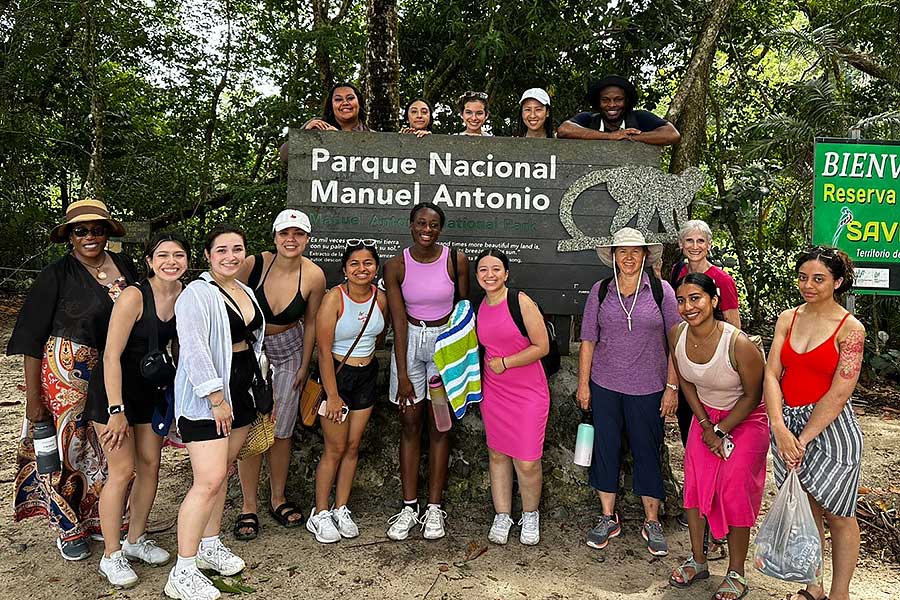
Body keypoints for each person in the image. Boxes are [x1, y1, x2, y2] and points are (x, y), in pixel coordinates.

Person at [6, 199, 136, 562]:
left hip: (114, 372)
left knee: (108, 448)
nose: (90, 236)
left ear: (108, 233)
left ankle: (100, 518)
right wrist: (34, 399)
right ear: (69, 236)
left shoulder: (125, 266)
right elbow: (31, 340)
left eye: (98, 229)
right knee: (69, 450)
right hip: (67, 377)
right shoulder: (56, 275)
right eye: (81, 230)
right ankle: (67, 524)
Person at [84, 232, 189, 587]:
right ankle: (110, 555)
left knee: (150, 467)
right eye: (163, 255)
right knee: (122, 471)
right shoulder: (133, 296)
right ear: (149, 260)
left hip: (151, 394)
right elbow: (111, 355)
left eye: (178, 255)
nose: (171, 262)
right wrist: (116, 409)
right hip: (114, 394)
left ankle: (135, 539)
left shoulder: (184, 294)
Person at [165, 224, 263, 600]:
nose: (230, 257)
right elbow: (192, 348)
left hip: (242, 391)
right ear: (208, 255)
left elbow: (253, 343)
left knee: (222, 474)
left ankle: (209, 544)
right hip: (209, 397)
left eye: (237, 249)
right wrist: (215, 397)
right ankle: (183, 569)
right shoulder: (197, 294)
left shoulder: (245, 290)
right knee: (206, 480)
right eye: (221, 250)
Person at [765, 246, 864, 600]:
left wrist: (802, 438)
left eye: (819, 279)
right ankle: (813, 588)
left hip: (831, 430)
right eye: (804, 277)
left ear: (837, 282)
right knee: (806, 508)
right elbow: (772, 374)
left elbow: (840, 393)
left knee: (839, 512)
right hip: (786, 423)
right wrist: (778, 425)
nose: (809, 285)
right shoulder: (787, 318)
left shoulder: (850, 329)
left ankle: (839, 594)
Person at [577, 227, 680, 556]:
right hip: (605, 384)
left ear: (646, 255)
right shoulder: (601, 290)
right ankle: (608, 516)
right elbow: (588, 340)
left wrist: (671, 387)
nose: (629, 257)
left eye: (636, 251)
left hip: (649, 387)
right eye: (623, 250)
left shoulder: (662, 291)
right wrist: (583, 384)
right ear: (614, 256)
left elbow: (676, 343)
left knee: (647, 451)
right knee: (606, 449)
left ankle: (651, 521)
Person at [667, 273, 768, 600]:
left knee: (735, 486)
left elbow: (753, 396)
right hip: (705, 415)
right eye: (682, 300)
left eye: (695, 298)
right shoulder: (676, 334)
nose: (687, 307)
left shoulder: (740, 344)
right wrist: (705, 424)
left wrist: (722, 430)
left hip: (746, 418)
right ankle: (699, 559)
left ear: (713, 301)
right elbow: (686, 382)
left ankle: (736, 572)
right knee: (695, 485)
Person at [233, 210, 326, 539]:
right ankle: (248, 506)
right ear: (274, 236)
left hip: (289, 350)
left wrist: (305, 363)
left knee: (281, 429)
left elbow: (312, 322)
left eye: (298, 234)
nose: (291, 239)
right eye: (285, 233)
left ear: (307, 239)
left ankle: (277, 497)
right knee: (250, 427)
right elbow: (228, 302)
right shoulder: (254, 264)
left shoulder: (313, 275)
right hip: (249, 350)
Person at [384, 202, 469, 541]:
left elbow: (463, 309)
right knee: (409, 423)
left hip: (443, 344)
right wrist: (403, 373)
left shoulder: (455, 260)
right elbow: (398, 320)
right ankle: (409, 507)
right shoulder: (395, 266)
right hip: (409, 341)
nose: (427, 229)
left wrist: (459, 358)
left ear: (440, 229)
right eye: (421, 223)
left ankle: (434, 508)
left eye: (434, 225)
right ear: (410, 225)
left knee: (439, 425)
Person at [306, 241, 389, 543]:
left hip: (366, 375)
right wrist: (333, 394)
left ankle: (341, 507)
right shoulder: (333, 299)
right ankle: (320, 512)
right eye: (354, 263)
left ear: (376, 268)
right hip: (337, 376)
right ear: (344, 269)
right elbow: (323, 350)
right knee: (334, 448)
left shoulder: (381, 299)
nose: (361, 269)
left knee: (353, 447)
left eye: (368, 263)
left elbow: (379, 336)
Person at [475, 250, 549, 546]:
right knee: (498, 454)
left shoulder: (520, 301)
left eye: (496, 269)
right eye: (483, 270)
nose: (489, 275)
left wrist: (506, 363)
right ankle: (502, 514)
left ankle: (530, 515)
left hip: (528, 391)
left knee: (528, 460)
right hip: (494, 392)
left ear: (506, 274)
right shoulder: (479, 305)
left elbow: (541, 346)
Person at [557, 74, 681, 145]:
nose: (612, 105)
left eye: (618, 99)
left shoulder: (639, 118)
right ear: (598, 102)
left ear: (626, 101)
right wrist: (610, 136)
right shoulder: (588, 119)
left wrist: (629, 138)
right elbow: (564, 130)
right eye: (605, 100)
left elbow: (672, 135)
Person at [304, 82, 370, 132]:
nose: (345, 103)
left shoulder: (374, 136)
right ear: (331, 105)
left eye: (350, 98)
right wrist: (306, 134)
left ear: (359, 102)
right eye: (338, 99)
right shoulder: (316, 126)